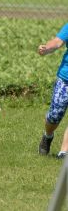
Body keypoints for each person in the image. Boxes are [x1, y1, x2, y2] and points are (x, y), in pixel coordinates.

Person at [38, 23, 68, 158]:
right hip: (65, 79)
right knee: (54, 116)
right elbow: (57, 42)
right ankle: (48, 135)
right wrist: (47, 48)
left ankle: (64, 152)